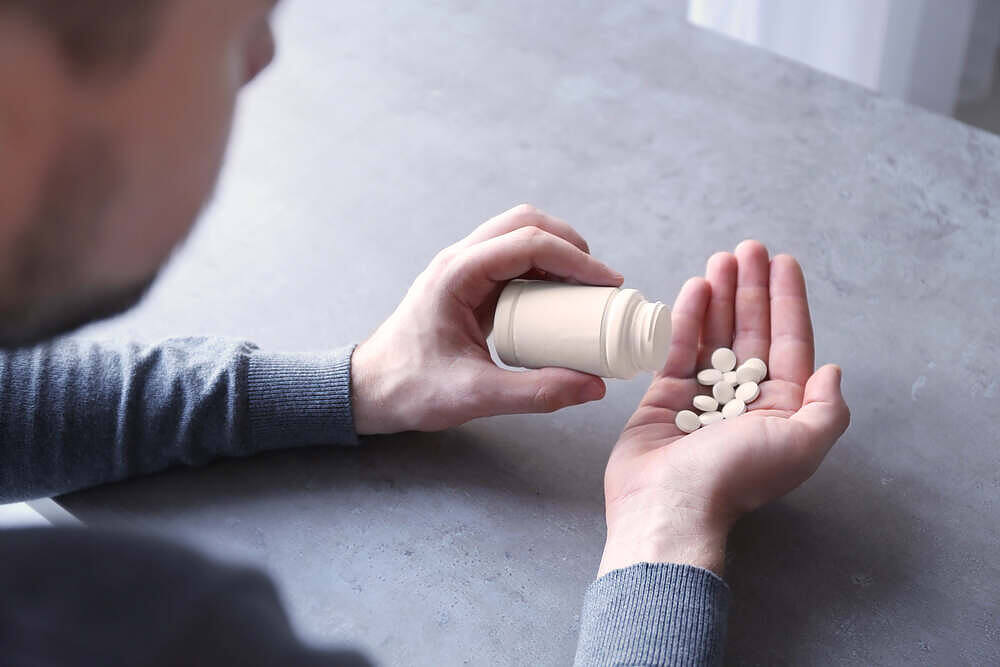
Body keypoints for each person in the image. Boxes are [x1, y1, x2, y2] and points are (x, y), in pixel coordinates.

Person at [0, 0, 851, 665]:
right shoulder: (130, 636)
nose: (264, 60)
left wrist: (359, 382)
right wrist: (664, 533)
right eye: (237, 24)